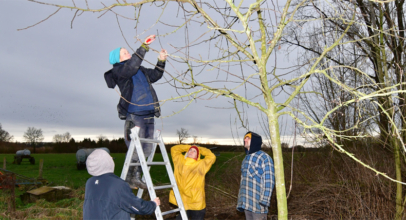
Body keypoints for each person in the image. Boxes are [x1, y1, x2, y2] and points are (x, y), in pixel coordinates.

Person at [104, 35, 168, 189]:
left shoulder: (139, 69)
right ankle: (129, 178)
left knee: (146, 149)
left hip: (149, 113)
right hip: (135, 114)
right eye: (125, 53)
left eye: (128, 51)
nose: (128, 53)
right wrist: (144, 47)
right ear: (117, 59)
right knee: (135, 148)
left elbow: (155, 75)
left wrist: (161, 60)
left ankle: (136, 177)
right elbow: (131, 66)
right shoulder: (120, 70)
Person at [83, 149, 160, 220]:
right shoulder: (118, 185)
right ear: (107, 163)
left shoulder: (90, 183)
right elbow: (137, 207)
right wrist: (153, 204)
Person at [169, 145, 216, 220]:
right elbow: (174, 149)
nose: (191, 151)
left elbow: (211, 157)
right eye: (190, 150)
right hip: (182, 201)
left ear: (197, 155)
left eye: (194, 151)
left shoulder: (201, 165)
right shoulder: (179, 161)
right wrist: (189, 146)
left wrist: (199, 148)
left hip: (196, 203)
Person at [237, 131, 275, 220]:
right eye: (245, 138)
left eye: (248, 138)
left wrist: (264, 201)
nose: (245, 139)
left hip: (258, 206)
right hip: (247, 203)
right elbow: (242, 182)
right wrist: (241, 200)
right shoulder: (245, 159)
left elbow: (269, 181)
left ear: (255, 141)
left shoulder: (265, 158)